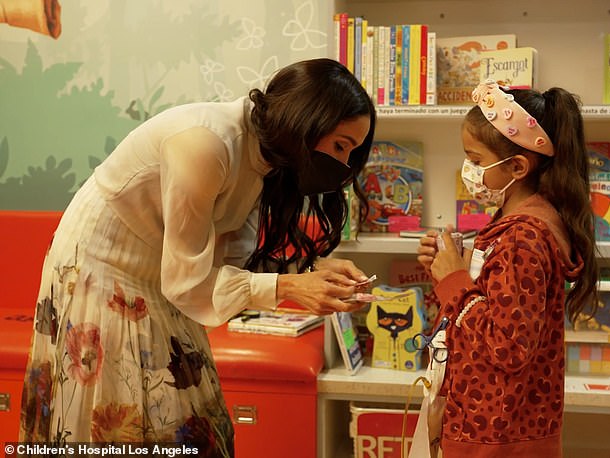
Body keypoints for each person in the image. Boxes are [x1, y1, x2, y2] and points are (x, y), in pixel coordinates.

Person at [19, 58, 376, 456]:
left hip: (162, 271)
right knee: (128, 415)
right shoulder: (206, 144)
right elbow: (188, 283)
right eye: (341, 147)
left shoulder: (263, 159)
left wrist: (308, 271)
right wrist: (290, 285)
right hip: (102, 264)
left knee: (191, 418)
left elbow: (231, 261)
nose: (343, 166)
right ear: (308, 119)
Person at [416, 79, 599, 458]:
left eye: (476, 160)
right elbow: (499, 303)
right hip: (496, 427)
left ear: (517, 166)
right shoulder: (517, 225)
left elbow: (507, 346)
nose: (468, 170)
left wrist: (454, 280)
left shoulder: (522, 238)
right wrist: (456, 268)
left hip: (496, 436)